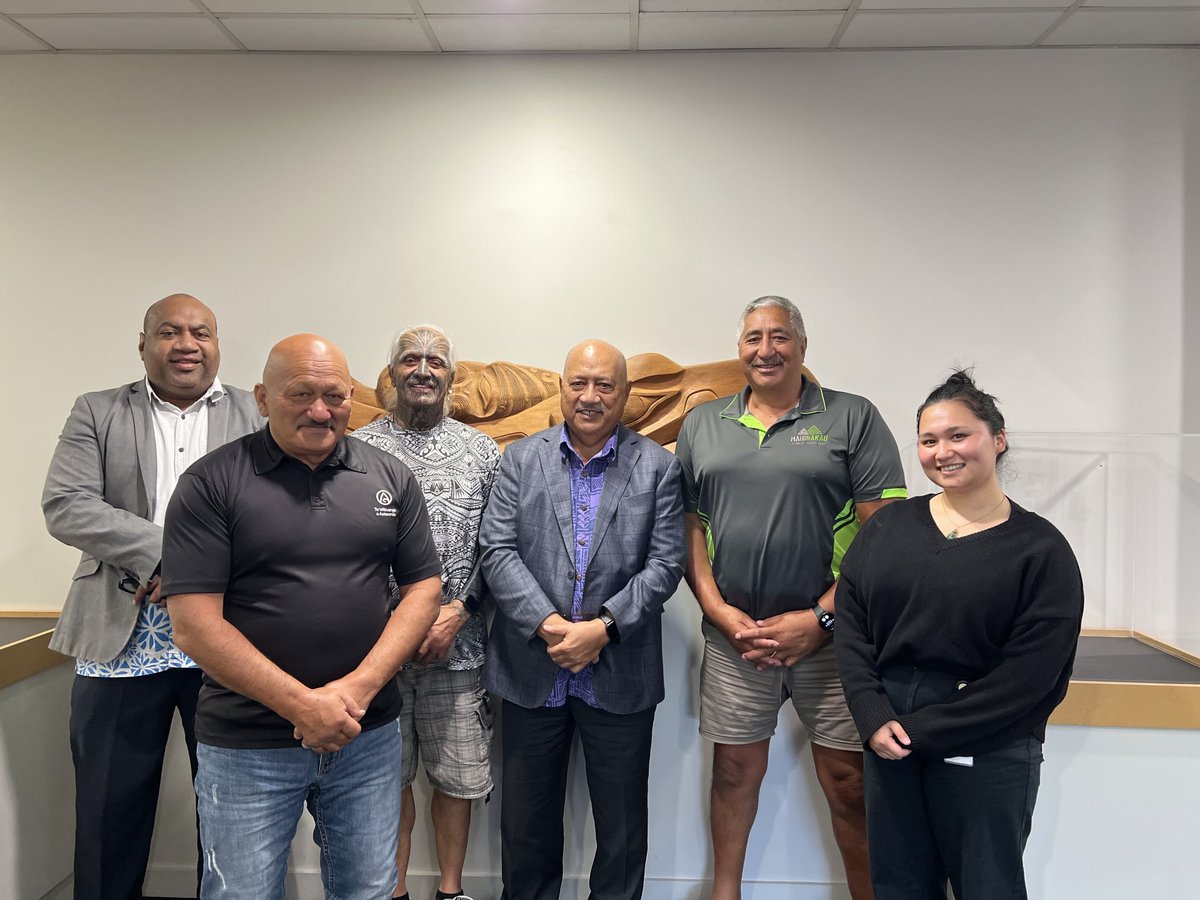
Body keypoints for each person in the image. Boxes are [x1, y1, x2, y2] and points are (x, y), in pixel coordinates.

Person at [161, 334, 444, 900]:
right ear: (263, 399)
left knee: (368, 890)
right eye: (302, 394)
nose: (320, 411)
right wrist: (304, 707)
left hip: (366, 737)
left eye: (335, 396)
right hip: (248, 744)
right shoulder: (210, 483)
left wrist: (355, 693)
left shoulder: (389, 478)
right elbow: (193, 624)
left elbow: (423, 587)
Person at [675, 296, 907, 900]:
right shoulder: (703, 424)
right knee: (732, 773)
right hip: (738, 640)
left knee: (848, 781)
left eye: (779, 336)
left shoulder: (853, 417)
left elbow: (883, 533)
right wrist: (718, 612)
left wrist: (821, 617)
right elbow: (689, 525)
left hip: (835, 639)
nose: (765, 349)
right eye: (753, 337)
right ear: (739, 349)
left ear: (803, 346)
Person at [42, 293, 262, 900]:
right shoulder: (98, 411)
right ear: (143, 345)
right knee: (110, 808)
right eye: (170, 331)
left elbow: (279, 515)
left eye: (201, 332)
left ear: (217, 347)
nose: (186, 343)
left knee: (233, 813)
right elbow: (67, 505)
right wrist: (167, 554)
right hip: (119, 634)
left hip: (230, 636)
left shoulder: (257, 414)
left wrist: (199, 570)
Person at [834, 370, 1084, 899]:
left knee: (986, 885)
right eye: (928, 440)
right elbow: (852, 622)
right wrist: (873, 714)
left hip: (988, 744)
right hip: (890, 738)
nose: (942, 451)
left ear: (997, 439)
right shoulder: (888, 527)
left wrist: (924, 732)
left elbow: (1031, 676)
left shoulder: (1040, 550)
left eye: (957, 435)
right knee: (900, 884)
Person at [479, 339, 686, 900]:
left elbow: (667, 564)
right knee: (525, 825)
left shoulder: (660, 467)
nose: (590, 397)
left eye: (605, 385)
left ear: (624, 394)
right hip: (531, 668)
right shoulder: (521, 459)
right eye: (579, 383)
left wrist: (603, 628)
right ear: (562, 386)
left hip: (619, 670)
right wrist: (549, 624)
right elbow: (496, 549)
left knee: (621, 830)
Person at [352, 324, 501, 900]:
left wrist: (461, 609)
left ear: (451, 376)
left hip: (459, 651)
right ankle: (391, 891)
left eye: (435, 361)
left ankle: (451, 890)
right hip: (377, 655)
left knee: (458, 781)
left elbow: (499, 546)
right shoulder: (359, 450)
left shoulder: (482, 451)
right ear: (392, 373)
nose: (423, 369)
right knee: (386, 784)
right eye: (410, 359)